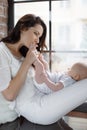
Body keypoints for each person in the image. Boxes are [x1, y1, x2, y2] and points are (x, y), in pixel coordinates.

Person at [0, 14, 87, 127]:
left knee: (80, 77)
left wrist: (42, 66)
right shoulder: (2, 51)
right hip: (36, 108)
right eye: (36, 33)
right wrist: (27, 62)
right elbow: (9, 95)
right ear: (22, 27)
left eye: (40, 36)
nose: (37, 40)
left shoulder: (24, 52)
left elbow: (40, 82)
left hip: (44, 97)